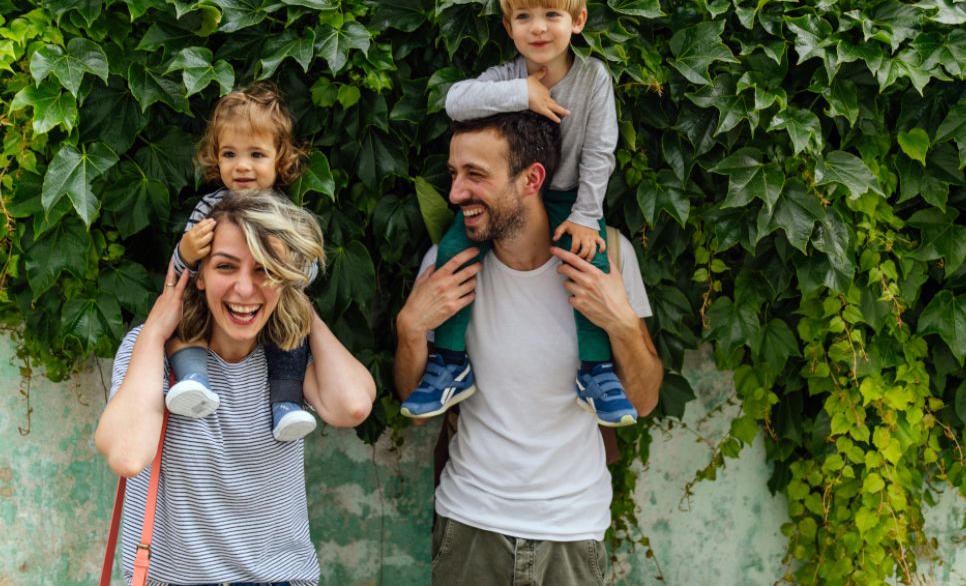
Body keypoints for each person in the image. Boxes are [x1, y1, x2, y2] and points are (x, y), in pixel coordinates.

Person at [394, 112, 664, 585]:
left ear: (531, 179)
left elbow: (642, 400)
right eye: (454, 175)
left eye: (475, 175)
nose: (456, 194)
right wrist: (410, 329)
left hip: (573, 532)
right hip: (470, 525)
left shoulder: (608, 256)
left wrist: (620, 323)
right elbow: (418, 411)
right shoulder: (447, 264)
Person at [400, 0, 636, 427]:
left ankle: (597, 371)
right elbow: (456, 101)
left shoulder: (593, 79)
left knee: (588, 266)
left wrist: (588, 215)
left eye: (552, 14)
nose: (539, 28)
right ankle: (448, 361)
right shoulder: (508, 76)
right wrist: (523, 94)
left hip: (571, 199)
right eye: (524, 17)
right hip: (511, 196)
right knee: (452, 250)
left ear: (578, 20)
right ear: (509, 27)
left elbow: (600, 150)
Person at [96, 190, 376, 586]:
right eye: (226, 266)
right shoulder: (153, 350)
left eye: (265, 269)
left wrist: (297, 304)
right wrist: (155, 332)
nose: (245, 289)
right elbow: (127, 455)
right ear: (200, 275)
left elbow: (353, 406)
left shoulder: (288, 356)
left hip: (279, 578)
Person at [166, 81, 322, 441]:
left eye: (256, 154)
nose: (242, 166)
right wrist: (187, 252)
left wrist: (290, 268)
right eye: (230, 154)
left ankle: (285, 405)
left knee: (294, 328)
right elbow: (180, 273)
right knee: (185, 315)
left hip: (270, 309)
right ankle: (194, 379)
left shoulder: (285, 215)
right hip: (215, 313)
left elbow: (309, 271)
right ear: (215, 157)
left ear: (280, 158)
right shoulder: (208, 209)